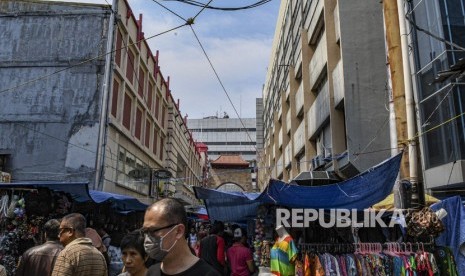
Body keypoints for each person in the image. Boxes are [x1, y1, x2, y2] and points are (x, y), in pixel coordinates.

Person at [142, 198, 221, 275]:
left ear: (179, 231)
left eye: (153, 230)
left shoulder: (208, 273)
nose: (147, 238)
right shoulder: (152, 271)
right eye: (145, 231)